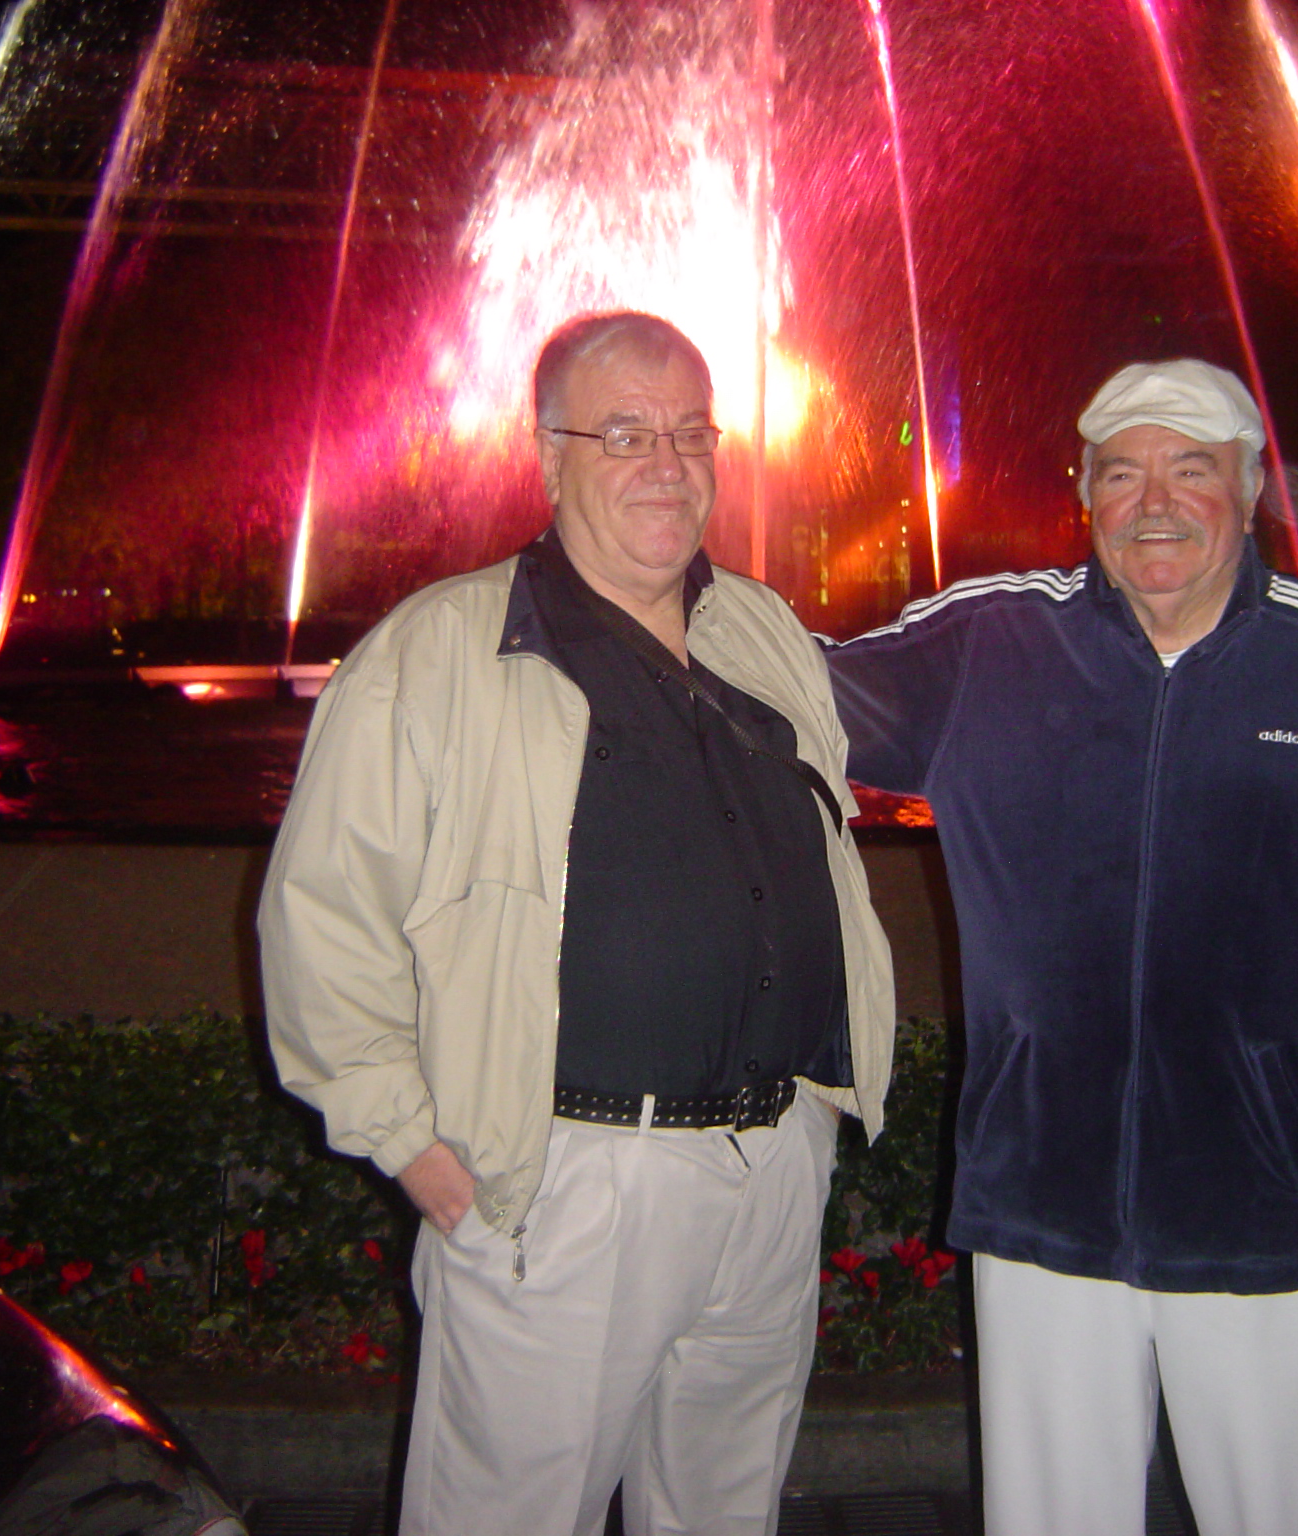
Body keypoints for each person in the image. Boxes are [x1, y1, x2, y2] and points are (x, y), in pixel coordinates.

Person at [824, 358, 1298, 1536]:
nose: (1152, 502)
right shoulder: (988, 643)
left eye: (1189, 470)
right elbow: (777, 686)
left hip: (1268, 1206)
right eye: (1120, 473)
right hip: (1040, 1208)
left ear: (1247, 491)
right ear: (1082, 494)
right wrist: (638, 576)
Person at [259, 311, 894, 1536]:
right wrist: (410, 1143)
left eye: (690, 433)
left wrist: (815, 1115)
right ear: (549, 457)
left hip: (771, 1166)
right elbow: (321, 918)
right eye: (624, 434)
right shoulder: (436, 651)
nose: (666, 463)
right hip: (565, 1182)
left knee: (724, 1512)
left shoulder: (761, 628)